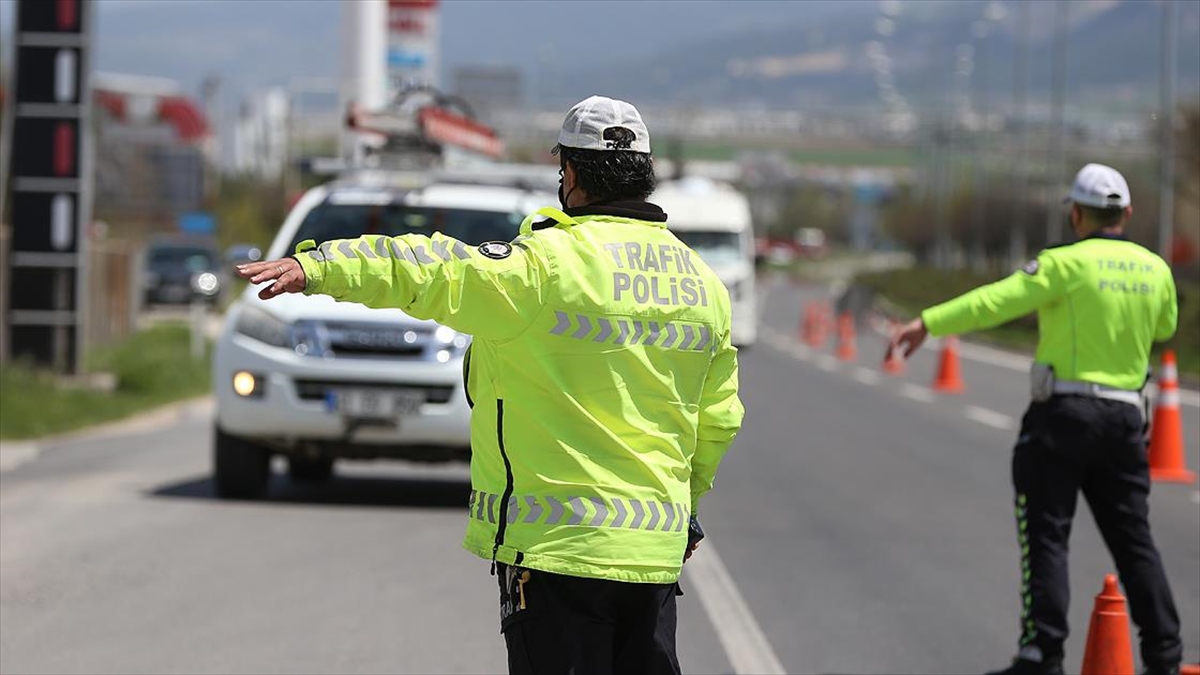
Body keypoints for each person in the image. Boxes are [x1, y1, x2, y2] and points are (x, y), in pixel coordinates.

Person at [237, 95, 744, 674]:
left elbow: (432, 268)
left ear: (570, 173)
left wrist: (321, 266)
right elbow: (719, 417)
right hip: (653, 554)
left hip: (557, 553)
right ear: (645, 175)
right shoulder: (701, 283)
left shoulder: (544, 266)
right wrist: (685, 508)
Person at [889, 163, 1182, 675]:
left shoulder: (1064, 265)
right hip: (1126, 421)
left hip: (1064, 415)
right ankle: (1164, 654)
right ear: (1128, 214)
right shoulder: (1155, 269)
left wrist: (928, 323)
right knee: (1134, 540)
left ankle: (1042, 653)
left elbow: (995, 302)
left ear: (1076, 214)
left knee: (1048, 535)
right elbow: (1166, 326)